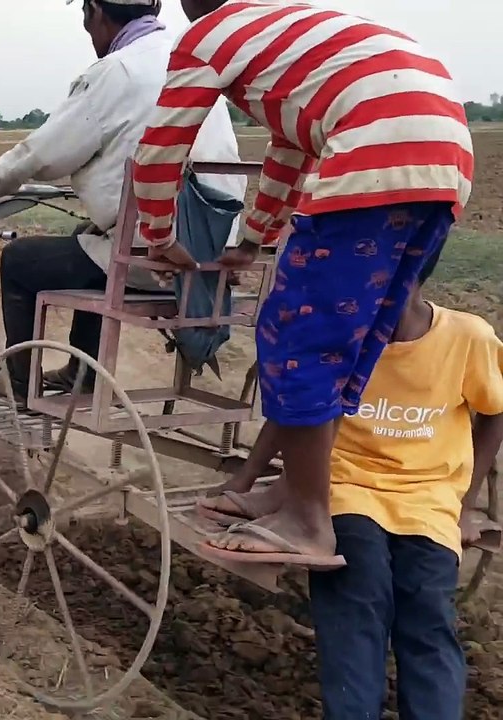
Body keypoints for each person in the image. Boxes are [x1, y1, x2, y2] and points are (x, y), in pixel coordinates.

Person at [129, 0, 474, 566]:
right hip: (445, 158)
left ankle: (309, 520)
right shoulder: (291, 37)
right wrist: (254, 239)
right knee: (355, 334)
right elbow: (290, 152)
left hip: (374, 148)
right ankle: (294, 489)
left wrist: (159, 235)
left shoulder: (212, 35)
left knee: (296, 335)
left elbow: (162, 147)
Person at [219, 250, 503, 719]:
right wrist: (246, 479)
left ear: (413, 286)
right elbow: (297, 413)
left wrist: (466, 504)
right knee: (357, 598)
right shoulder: (344, 339)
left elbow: (494, 413)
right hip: (347, 486)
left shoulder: (467, 338)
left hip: (429, 499)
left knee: (428, 612)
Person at [0, 0, 246, 403]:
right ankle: (82, 370)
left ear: (96, 11)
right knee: (89, 237)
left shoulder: (116, 72)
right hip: (212, 254)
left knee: (19, 260)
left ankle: (18, 388)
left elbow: (37, 156)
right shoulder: (190, 60)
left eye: (85, 17)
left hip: (159, 257)